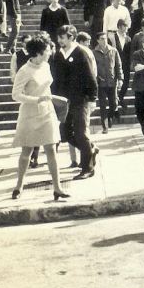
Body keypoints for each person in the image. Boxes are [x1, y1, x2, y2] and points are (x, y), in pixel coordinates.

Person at [10, 32, 70, 201]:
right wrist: (37, 99)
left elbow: (46, 88)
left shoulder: (46, 66)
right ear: (38, 52)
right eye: (47, 50)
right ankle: (19, 186)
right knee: (26, 151)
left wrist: (52, 99)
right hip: (30, 114)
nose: (50, 52)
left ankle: (57, 188)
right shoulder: (24, 71)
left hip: (47, 111)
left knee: (51, 149)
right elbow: (15, 95)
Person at [51, 24, 98, 180]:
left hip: (81, 100)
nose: (59, 40)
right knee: (64, 133)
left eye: (62, 38)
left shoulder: (81, 53)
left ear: (71, 37)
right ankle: (91, 150)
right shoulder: (58, 55)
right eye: (58, 37)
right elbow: (55, 78)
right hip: (64, 102)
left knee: (80, 133)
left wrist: (92, 99)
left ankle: (87, 168)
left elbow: (91, 78)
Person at [93, 32, 123, 134]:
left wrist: (120, 79)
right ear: (98, 40)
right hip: (101, 83)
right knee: (102, 105)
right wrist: (96, 78)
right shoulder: (94, 52)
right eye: (102, 39)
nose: (104, 40)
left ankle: (110, 117)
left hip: (112, 81)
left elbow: (118, 66)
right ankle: (104, 126)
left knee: (113, 103)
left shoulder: (113, 50)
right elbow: (93, 68)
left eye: (105, 38)